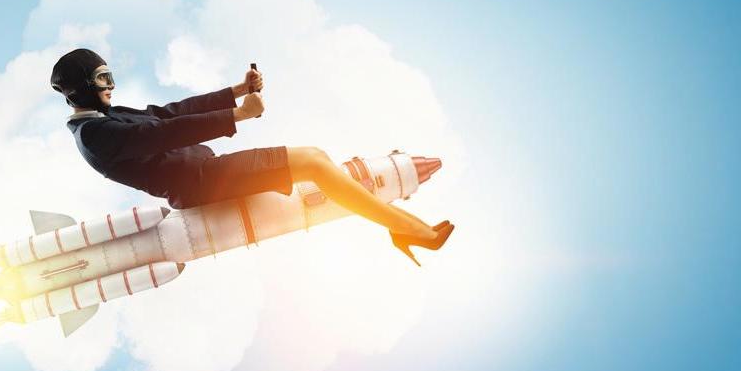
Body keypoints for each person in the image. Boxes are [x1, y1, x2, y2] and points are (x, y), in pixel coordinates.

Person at [51, 48, 453, 266]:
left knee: (316, 159)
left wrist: (236, 92)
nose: (111, 85)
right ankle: (407, 229)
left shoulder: (101, 120)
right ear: (81, 86)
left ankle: (405, 228)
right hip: (203, 183)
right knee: (313, 161)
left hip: (207, 173)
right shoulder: (94, 136)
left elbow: (167, 113)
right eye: (102, 78)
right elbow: (161, 134)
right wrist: (237, 115)